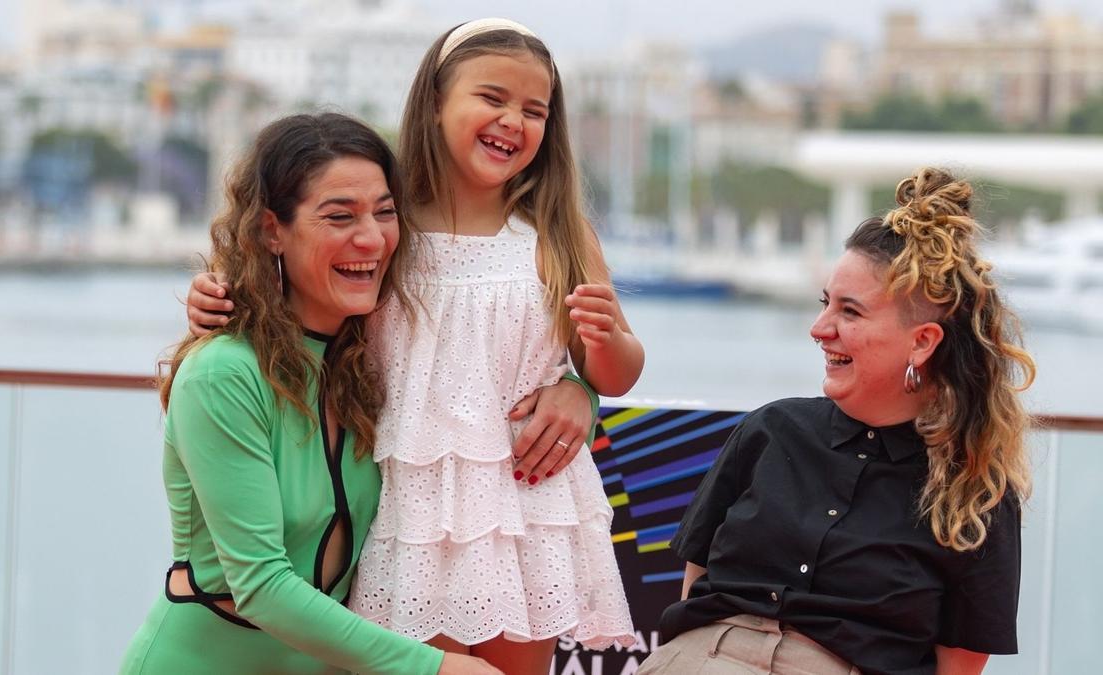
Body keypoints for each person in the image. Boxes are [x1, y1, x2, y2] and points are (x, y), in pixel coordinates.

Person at [187, 18, 641, 674]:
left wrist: (591, 375)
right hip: (407, 497)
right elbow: (301, 280)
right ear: (433, 101)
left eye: (534, 109)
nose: (512, 120)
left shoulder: (560, 235)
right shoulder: (387, 223)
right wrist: (219, 296)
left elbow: (615, 366)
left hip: (523, 495)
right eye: (492, 98)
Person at [121, 113, 500, 674]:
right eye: (339, 216)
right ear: (272, 228)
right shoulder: (224, 373)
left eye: (385, 212)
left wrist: (579, 389)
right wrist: (434, 669)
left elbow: (504, 381)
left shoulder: (368, 363)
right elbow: (261, 585)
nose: (371, 238)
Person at [639, 167, 1035, 675]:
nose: (819, 328)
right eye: (826, 303)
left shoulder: (976, 490)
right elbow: (696, 585)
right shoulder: (769, 431)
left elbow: (959, 666)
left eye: (850, 312)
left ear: (922, 341)